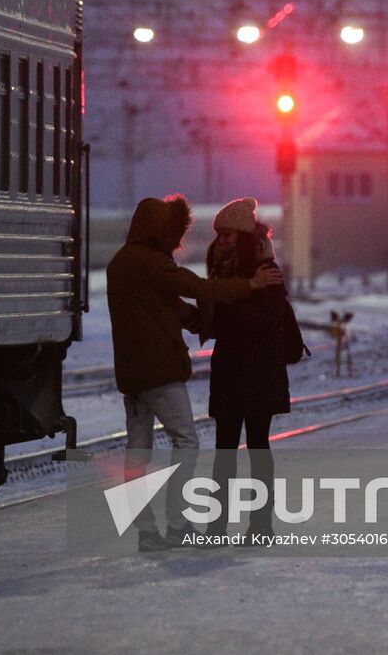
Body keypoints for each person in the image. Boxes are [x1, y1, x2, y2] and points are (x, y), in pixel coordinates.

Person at [106, 194, 283, 551]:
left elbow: (166, 304)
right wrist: (244, 290)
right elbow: (195, 289)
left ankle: (149, 532)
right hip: (166, 370)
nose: (221, 241)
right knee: (188, 442)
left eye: (230, 235)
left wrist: (203, 320)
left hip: (139, 373)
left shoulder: (120, 262)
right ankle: (179, 526)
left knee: (138, 450)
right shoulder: (153, 263)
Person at [198, 197, 302, 541]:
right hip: (230, 368)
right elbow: (215, 318)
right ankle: (217, 526)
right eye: (220, 234)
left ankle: (260, 526)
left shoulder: (265, 270)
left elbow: (266, 320)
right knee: (225, 449)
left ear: (244, 236)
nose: (223, 240)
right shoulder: (222, 271)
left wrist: (231, 304)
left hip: (259, 370)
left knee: (257, 446)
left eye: (229, 234)